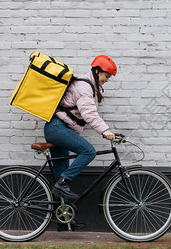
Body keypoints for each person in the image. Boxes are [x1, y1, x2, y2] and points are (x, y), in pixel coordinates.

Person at [44, 55, 117, 230]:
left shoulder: (90, 86)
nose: (107, 80)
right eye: (106, 76)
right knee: (88, 151)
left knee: (61, 171)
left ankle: (64, 221)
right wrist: (105, 130)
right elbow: (88, 114)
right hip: (57, 128)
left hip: (60, 129)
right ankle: (63, 182)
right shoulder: (85, 86)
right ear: (97, 71)